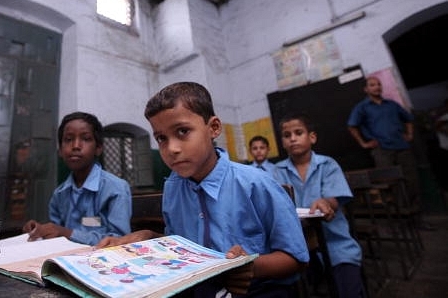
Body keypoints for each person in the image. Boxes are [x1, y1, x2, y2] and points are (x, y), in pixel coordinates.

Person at [97, 82, 309, 297]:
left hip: (256, 289)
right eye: (161, 138)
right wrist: (149, 237)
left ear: (214, 128)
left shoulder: (257, 184)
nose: (172, 149)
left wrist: (250, 266)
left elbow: (296, 259)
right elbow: (182, 246)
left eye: (183, 131)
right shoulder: (173, 186)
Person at [274, 112, 366, 298]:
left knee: (348, 289)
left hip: (335, 244)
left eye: (298, 133)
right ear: (282, 142)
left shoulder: (328, 165)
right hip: (299, 246)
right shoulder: (277, 171)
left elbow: (333, 199)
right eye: (286, 135)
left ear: (312, 137)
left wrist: (326, 202)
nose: (292, 139)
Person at [22, 111, 132, 245]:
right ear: (60, 151)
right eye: (68, 140)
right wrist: (41, 230)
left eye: (85, 139)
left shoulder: (116, 189)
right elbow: (55, 233)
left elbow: (120, 240)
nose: (75, 146)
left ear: (98, 148)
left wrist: (66, 233)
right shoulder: (59, 194)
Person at [346, 76, 433, 230]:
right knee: (391, 186)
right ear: (366, 89)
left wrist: (410, 135)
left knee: (412, 182)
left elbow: (408, 119)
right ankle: (400, 221)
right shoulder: (362, 107)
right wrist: (364, 143)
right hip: (382, 151)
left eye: (379, 84)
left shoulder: (392, 105)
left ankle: (417, 220)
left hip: (402, 148)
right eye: (372, 85)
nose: (377, 87)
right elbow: (352, 126)